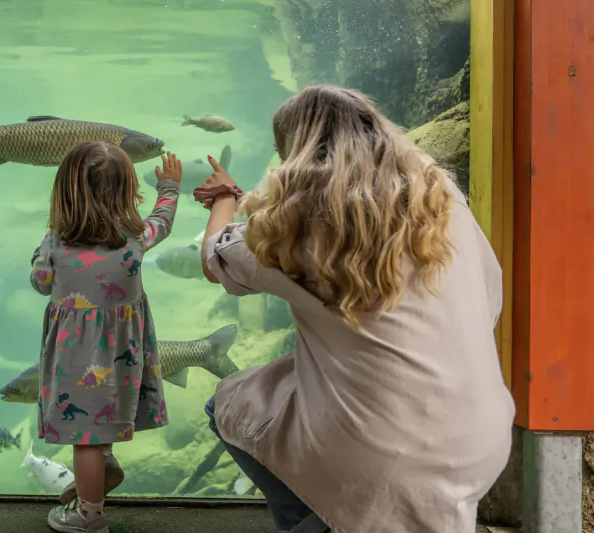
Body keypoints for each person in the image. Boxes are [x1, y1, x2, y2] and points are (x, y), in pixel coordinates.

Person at [196, 85, 515, 533]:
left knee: (226, 404)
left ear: (296, 152)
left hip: (382, 457)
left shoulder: (294, 220)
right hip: (484, 441)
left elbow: (215, 257)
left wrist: (225, 199)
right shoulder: (441, 197)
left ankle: (321, 523)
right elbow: (491, 299)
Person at [30, 141, 183, 533]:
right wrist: (169, 188)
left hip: (75, 355)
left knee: (84, 437)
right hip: (123, 352)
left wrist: (39, 257)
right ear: (127, 190)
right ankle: (106, 464)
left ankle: (88, 517)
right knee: (103, 417)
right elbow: (162, 221)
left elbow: (41, 283)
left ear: (65, 191)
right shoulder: (136, 238)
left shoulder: (57, 240)